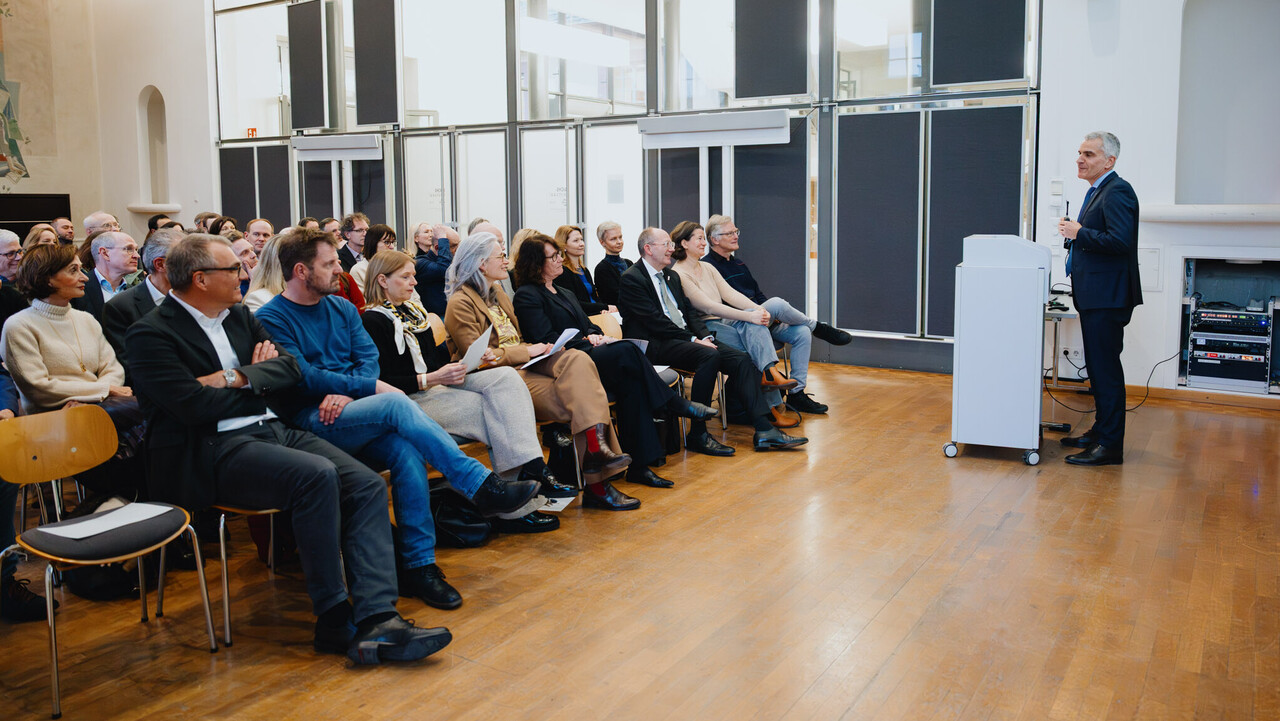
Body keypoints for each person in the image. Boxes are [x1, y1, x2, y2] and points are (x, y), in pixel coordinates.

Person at [125, 233, 451, 664]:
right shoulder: (149, 334)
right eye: (233, 269)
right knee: (316, 476)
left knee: (366, 483)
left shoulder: (238, 316)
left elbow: (289, 370)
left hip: (270, 428)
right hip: (208, 447)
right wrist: (253, 381)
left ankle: (378, 616)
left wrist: (235, 378)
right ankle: (334, 618)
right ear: (200, 279)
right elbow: (192, 407)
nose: (244, 274)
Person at [256, 228, 541, 609]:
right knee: (394, 403)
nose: (340, 269)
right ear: (301, 271)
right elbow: (302, 377)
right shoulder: (270, 318)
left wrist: (351, 390)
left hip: (352, 408)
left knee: (407, 452)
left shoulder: (342, 308)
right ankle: (479, 484)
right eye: (329, 264)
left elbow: (368, 361)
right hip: (311, 418)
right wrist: (362, 386)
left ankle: (419, 566)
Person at [361, 250, 572, 534]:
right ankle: (514, 508)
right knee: (496, 412)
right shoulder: (372, 321)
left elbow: (435, 361)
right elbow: (382, 381)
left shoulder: (414, 312)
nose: (414, 282)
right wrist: (432, 377)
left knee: (505, 377)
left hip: (436, 386)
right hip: (409, 399)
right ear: (382, 281)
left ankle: (531, 468)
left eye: (414, 275)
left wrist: (467, 360)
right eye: (406, 277)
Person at [444, 232, 639, 510]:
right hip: (497, 377)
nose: (506, 261)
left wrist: (537, 349)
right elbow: (479, 358)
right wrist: (529, 350)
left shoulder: (497, 293)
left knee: (577, 359)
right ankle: (598, 481)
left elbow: (512, 341)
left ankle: (597, 457)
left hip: (523, 366)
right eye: (500, 256)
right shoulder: (460, 302)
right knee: (582, 398)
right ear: (481, 264)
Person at [511, 233, 716, 490]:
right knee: (628, 349)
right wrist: (588, 340)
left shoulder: (564, 291)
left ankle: (640, 467)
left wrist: (595, 335)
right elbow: (546, 338)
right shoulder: (527, 295)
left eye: (558, 255)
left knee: (632, 384)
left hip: (588, 353)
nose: (560, 260)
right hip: (565, 362)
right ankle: (674, 403)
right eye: (553, 257)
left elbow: (588, 325)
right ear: (535, 263)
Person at [618, 227, 807, 455]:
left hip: (683, 338)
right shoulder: (632, 279)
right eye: (666, 244)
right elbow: (654, 322)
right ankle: (698, 434)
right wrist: (693, 339)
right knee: (709, 355)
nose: (671, 249)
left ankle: (764, 429)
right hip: (656, 343)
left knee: (742, 359)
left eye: (671, 244)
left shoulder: (670, 276)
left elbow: (689, 314)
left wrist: (704, 336)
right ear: (648, 249)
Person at [1, 244, 147, 497]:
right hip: (53, 420)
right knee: (151, 415)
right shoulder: (19, 325)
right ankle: (125, 500)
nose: (85, 277)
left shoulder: (86, 319)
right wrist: (103, 391)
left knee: (149, 441)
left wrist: (92, 398)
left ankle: (118, 500)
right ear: (48, 278)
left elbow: (111, 368)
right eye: (73, 271)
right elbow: (38, 387)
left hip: (102, 412)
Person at [702, 215, 852, 414]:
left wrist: (769, 314)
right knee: (777, 303)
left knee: (801, 333)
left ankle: (797, 394)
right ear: (714, 239)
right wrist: (764, 311)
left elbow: (757, 293)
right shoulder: (707, 267)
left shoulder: (738, 264)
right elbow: (723, 304)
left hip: (761, 318)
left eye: (736, 231)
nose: (735, 236)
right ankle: (818, 327)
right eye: (729, 233)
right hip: (739, 323)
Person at [1057, 131, 1141, 466]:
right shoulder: (1097, 191)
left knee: (1105, 372)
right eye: (1080, 153)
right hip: (1095, 295)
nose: (1080, 159)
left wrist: (1080, 233)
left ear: (1109, 161)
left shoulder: (1117, 190)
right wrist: (1076, 235)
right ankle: (1100, 432)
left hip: (1107, 297)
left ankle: (1110, 446)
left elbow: (1120, 241)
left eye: (1089, 154)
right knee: (1097, 369)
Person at [670, 221, 800, 428]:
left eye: (704, 238)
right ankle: (770, 403)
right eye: (699, 238)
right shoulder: (679, 273)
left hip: (725, 321)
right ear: (684, 243)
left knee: (753, 322)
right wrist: (750, 317)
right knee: (754, 347)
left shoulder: (707, 267)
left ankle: (770, 376)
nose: (704, 242)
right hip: (706, 327)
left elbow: (730, 294)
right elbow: (709, 306)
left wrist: (757, 310)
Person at [102, 227, 182, 362]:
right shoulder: (120, 307)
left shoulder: (196, 299)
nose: (194, 267)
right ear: (160, 264)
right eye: (186, 260)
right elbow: (128, 362)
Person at [70, 230, 141, 320]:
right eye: (129, 249)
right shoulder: (77, 289)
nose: (137, 255)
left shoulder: (135, 292)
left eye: (136, 250)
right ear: (105, 253)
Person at [552, 225, 614, 315]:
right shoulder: (562, 272)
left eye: (581, 239)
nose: (581, 244)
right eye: (576, 241)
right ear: (564, 245)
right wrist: (604, 307)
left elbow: (595, 297)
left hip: (597, 314)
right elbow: (573, 303)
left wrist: (604, 309)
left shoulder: (584, 270)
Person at [412, 222, 458, 315]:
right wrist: (442, 239)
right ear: (438, 247)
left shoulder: (450, 261)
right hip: (436, 318)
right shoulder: (420, 263)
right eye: (453, 246)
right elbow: (445, 270)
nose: (458, 250)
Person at [592, 221, 632, 307]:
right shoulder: (602, 268)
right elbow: (612, 297)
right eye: (613, 239)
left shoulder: (628, 263)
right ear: (602, 242)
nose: (619, 242)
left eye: (620, 237)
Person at [350, 223, 397, 291]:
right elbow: (362, 297)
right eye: (387, 242)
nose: (392, 247)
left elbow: (411, 296)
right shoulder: (359, 270)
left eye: (393, 242)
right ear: (373, 243)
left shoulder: (397, 267)